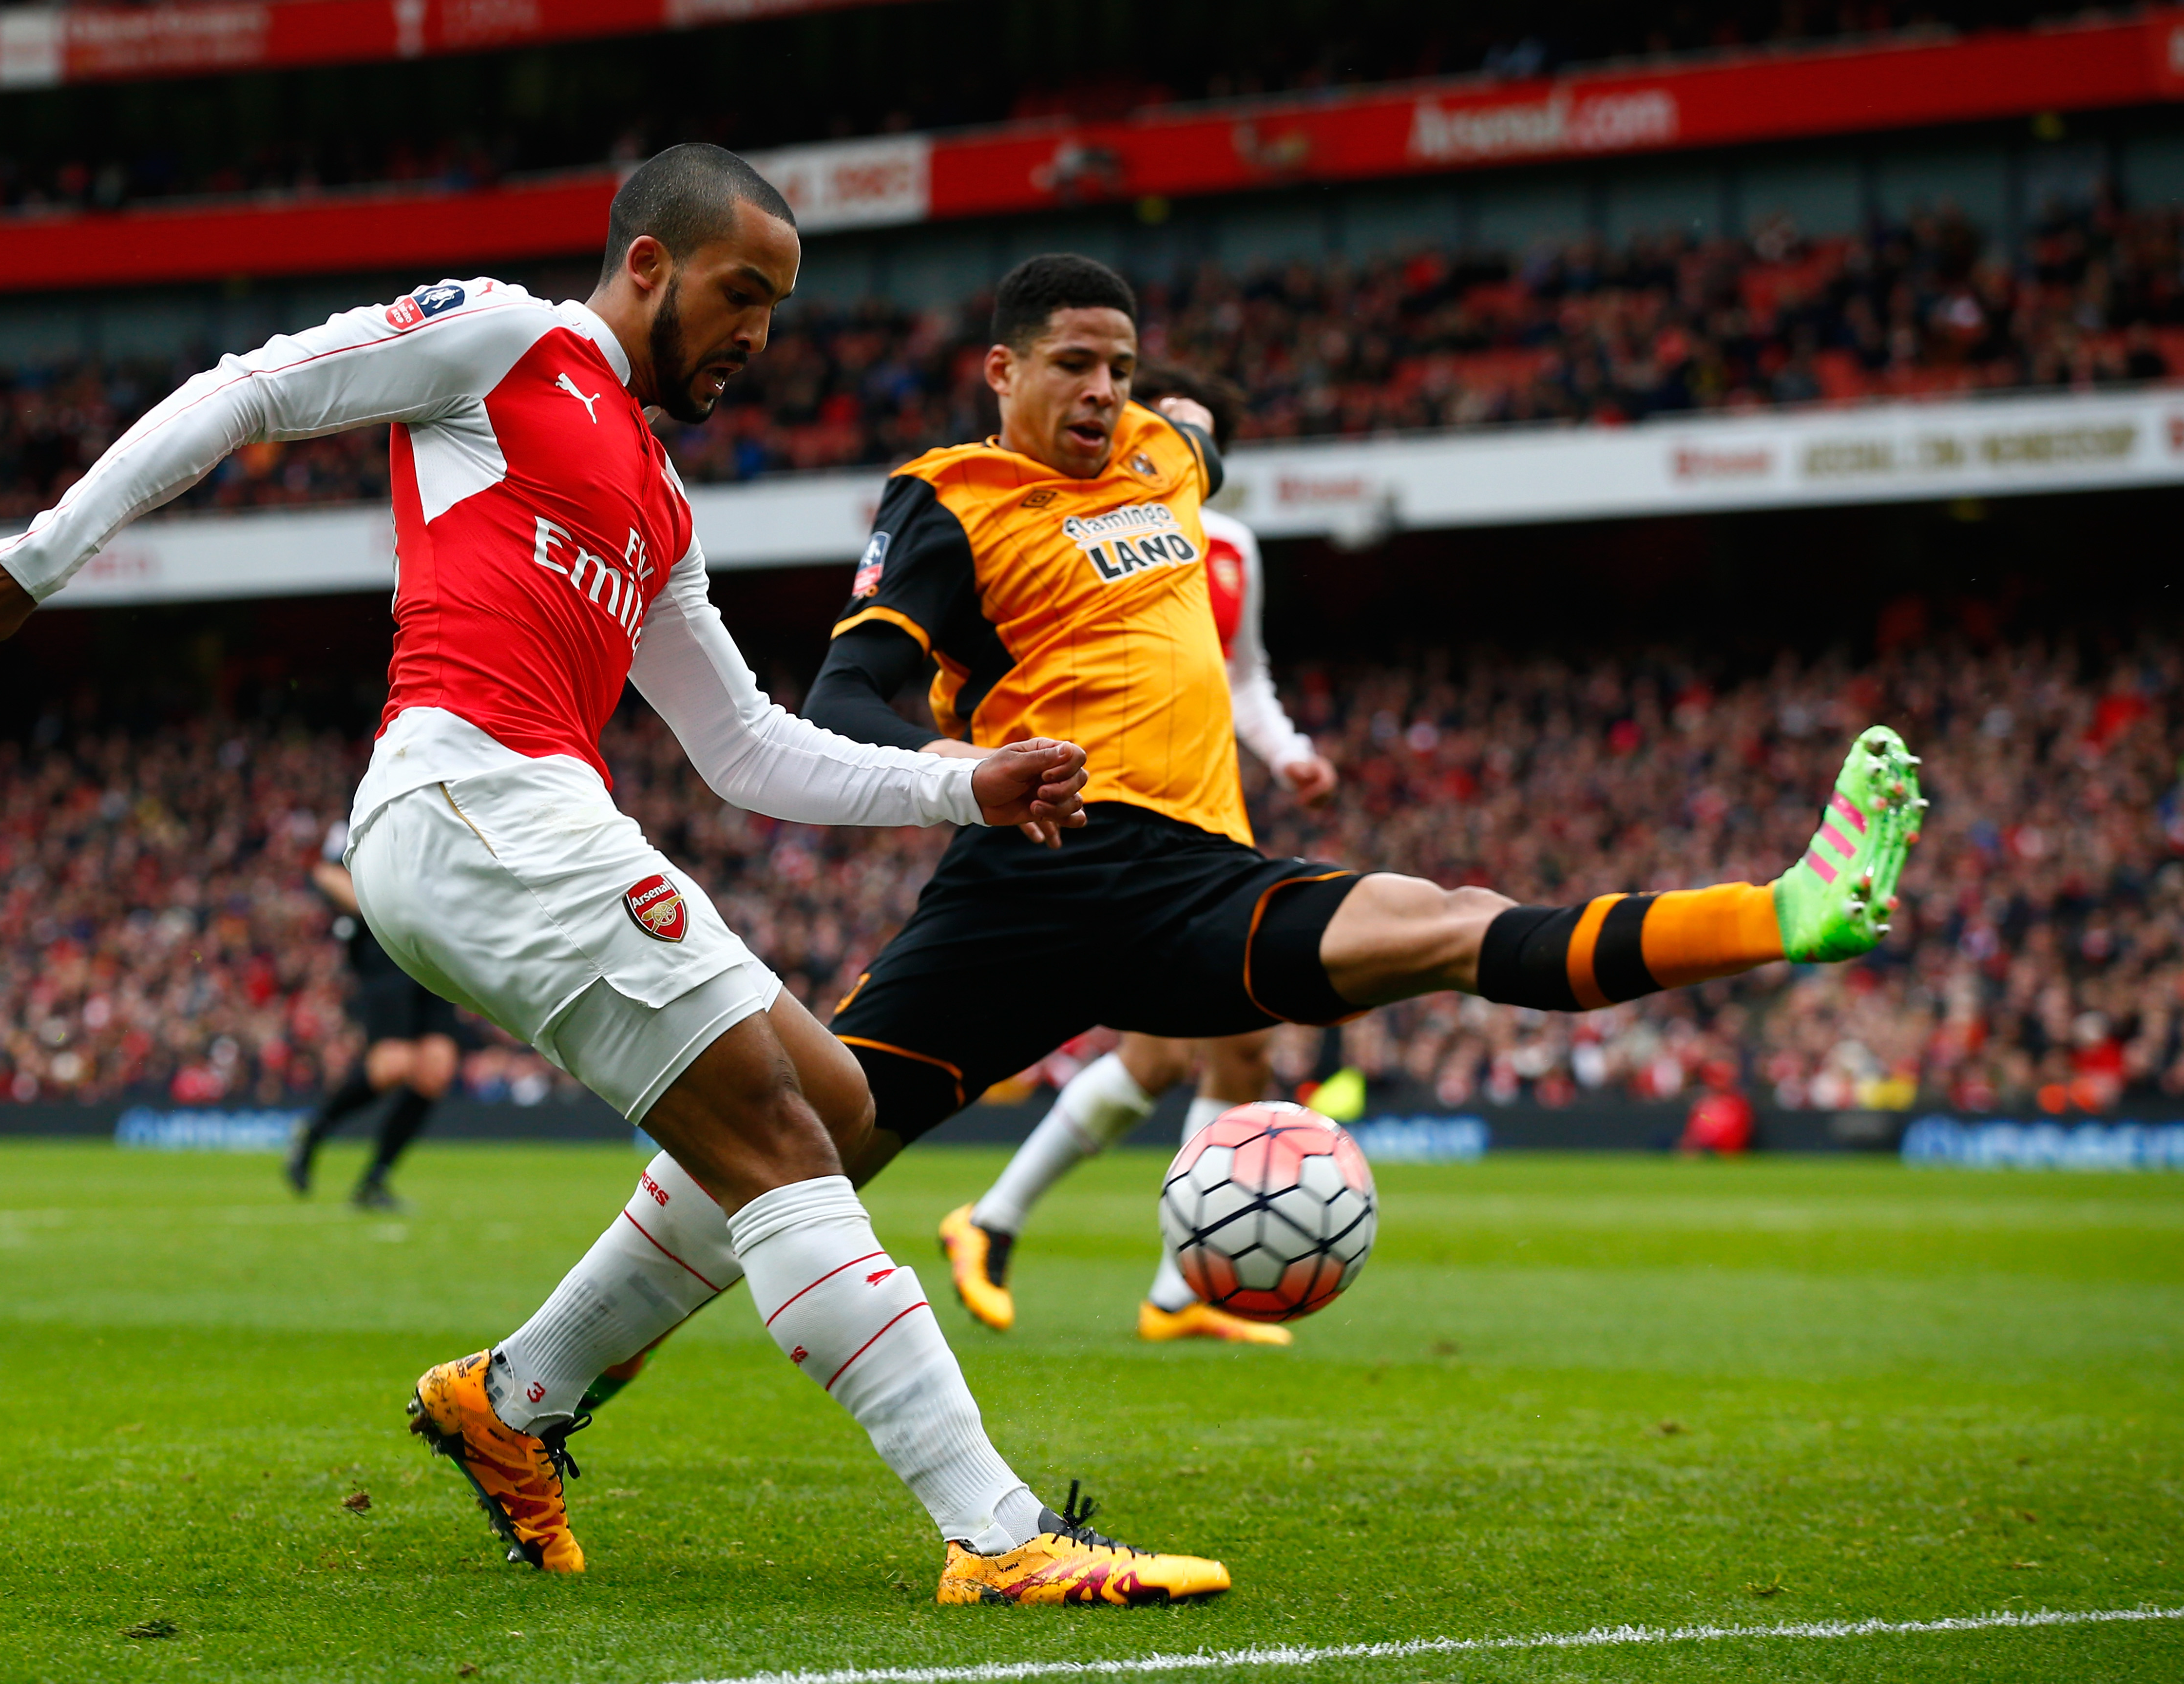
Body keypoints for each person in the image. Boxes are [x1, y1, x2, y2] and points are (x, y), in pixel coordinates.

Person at [0, 147, 1228, 1606]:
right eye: (742, 295)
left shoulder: (658, 502)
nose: (758, 338)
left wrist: (957, 784)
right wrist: (42, 557)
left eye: (778, 311)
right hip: (470, 794)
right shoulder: (506, 337)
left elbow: (745, 750)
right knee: (783, 1138)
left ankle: (512, 1401)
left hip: (534, 817)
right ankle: (1000, 1535)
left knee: (838, 1108)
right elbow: (253, 388)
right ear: (649, 265)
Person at [801, 249, 1921, 1193]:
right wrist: (963, 770)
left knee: (1451, 920)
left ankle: (1782, 911)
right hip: (1031, 874)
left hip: (1194, 879)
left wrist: (1189, 421)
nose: (1103, 390)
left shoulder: (1163, 457)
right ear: (1001, 370)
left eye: (1121, 369)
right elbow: (840, 700)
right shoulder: (947, 497)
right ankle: (616, 1341)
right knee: (805, 1156)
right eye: (1074, 365)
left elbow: (1198, 438)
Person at [939, 364, 1341, 1348]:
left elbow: (1240, 679)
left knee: (1202, 1047)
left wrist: (1290, 756)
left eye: (1207, 435)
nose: (1188, 446)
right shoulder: (1083, 520)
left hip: (1212, 811)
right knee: (1207, 1040)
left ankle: (1153, 1280)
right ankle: (1026, 1232)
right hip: (1112, 810)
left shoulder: (1231, 547)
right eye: (1172, 425)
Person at [285, 816, 460, 1211]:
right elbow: (326, 872)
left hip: (430, 948)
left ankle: (373, 1181)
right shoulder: (365, 811)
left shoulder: (440, 811)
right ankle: (314, 1131)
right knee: (394, 1064)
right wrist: (382, 908)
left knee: (436, 1069)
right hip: (383, 947)